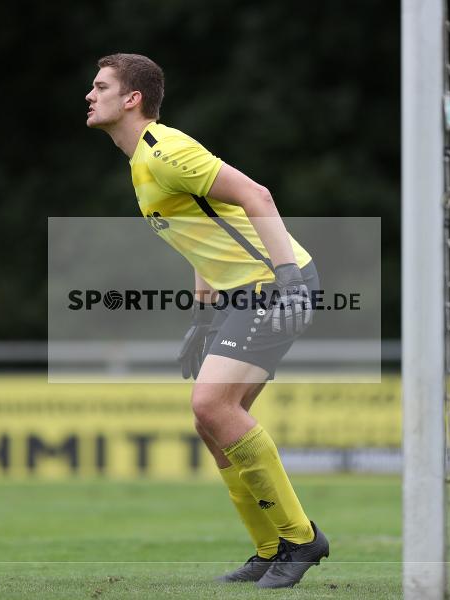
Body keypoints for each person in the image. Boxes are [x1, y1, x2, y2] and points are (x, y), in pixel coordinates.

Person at [85, 53, 328, 589]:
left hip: (272, 284)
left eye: (100, 86)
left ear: (132, 99)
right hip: (242, 294)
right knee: (213, 420)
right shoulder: (139, 164)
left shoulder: (166, 150)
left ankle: (302, 538)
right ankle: (270, 549)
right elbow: (203, 237)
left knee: (211, 403)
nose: (89, 94)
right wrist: (201, 318)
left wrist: (285, 278)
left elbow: (256, 196)